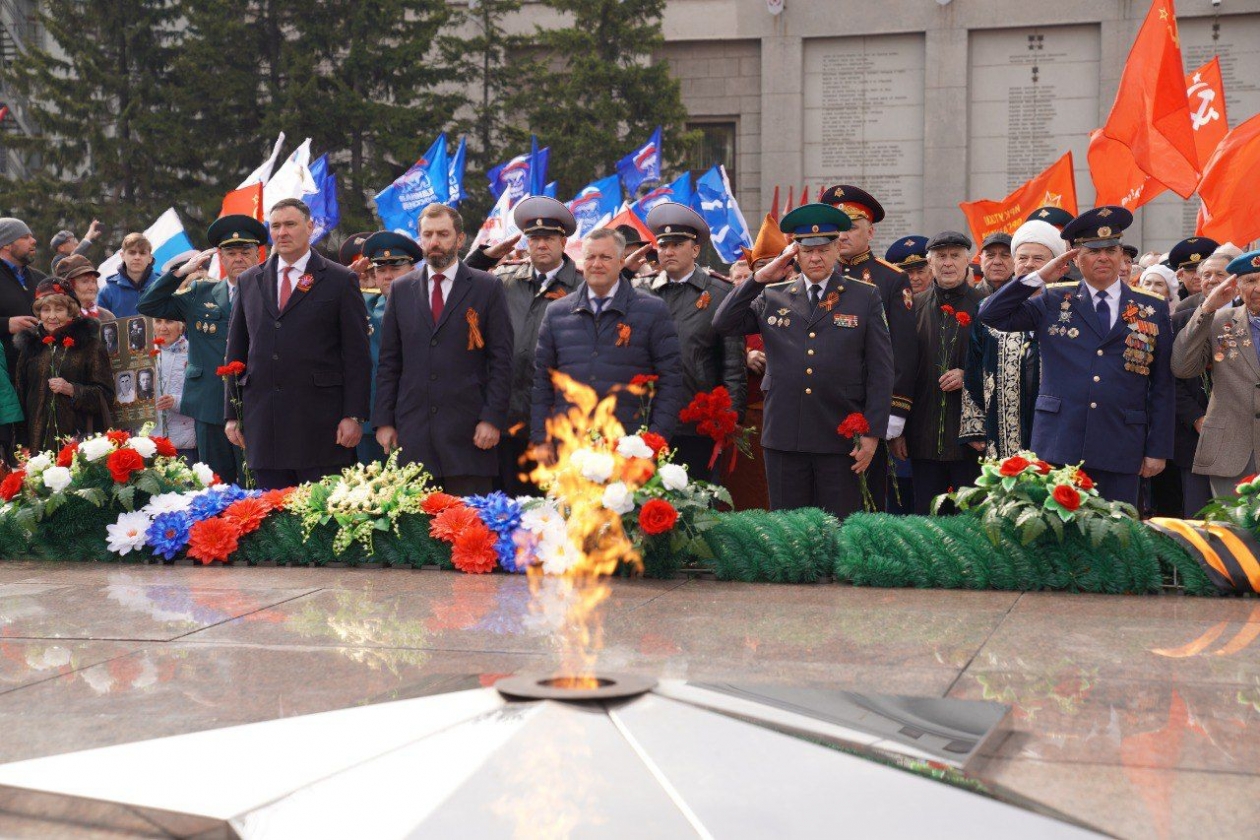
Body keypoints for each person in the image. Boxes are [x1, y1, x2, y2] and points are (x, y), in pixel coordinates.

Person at [979, 206, 1173, 505]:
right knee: (1060, 538)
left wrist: (1157, 449)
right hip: (1060, 442)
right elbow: (992, 315)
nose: (1104, 257)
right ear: (1075, 258)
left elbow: (1162, 385)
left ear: (1123, 255)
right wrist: (1039, 276)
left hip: (1121, 443)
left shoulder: (1152, 307)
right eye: (1093, 251)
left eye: (1111, 249)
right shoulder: (1054, 298)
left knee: (1116, 537)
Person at [713, 204, 893, 519]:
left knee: (838, 528)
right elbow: (724, 323)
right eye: (807, 251)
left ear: (838, 248)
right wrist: (758, 279)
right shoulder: (774, 295)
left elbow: (881, 370)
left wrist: (872, 433)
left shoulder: (864, 297)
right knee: (790, 531)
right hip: (785, 435)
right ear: (795, 253)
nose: (815, 257)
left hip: (839, 436)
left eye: (824, 249)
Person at [223, 198, 371, 490]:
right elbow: (236, 352)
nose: (282, 233)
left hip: (321, 427)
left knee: (322, 522)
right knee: (272, 523)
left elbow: (357, 356)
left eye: (290, 224)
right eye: (275, 226)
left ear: (310, 227)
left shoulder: (340, 280)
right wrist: (231, 414)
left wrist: (353, 415)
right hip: (266, 427)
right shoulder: (250, 280)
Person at [374, 204, 512, 496]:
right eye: (428, 234)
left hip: (469, 437)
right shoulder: (401, 290)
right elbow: (389, 362)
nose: (435, 241)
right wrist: (384, 421)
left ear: (460, 239)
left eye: (443, 234)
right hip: (414, 439)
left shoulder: (487, 287)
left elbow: (501, 361)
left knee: (469, 536)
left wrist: (492, 419)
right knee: (417, 537)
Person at [138, 214, 266, 486]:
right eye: (231, 253)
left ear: (258, 255)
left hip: (257, 401)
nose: (238, 258)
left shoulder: (271, 294)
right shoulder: (201, 293)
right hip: (211, 403)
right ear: (220, 257)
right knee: (215, 483)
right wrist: (181, 272)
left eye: (246, 252)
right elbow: (149, 305)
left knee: (255, 483)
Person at [466, 197, 582, 494]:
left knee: (551, 513)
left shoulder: (582, 287)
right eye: (534, 238)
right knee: (503, 510)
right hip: (504, 419)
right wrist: (484, 258)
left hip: (558, 423)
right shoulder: (504, 281)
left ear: (563, 241)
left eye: (549, 238)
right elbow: (458, 284)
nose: (541, 244)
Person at [532, 227, 685, 454]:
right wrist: (541, 438)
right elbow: (542, 382)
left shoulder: (652, 310)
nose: (596, 264)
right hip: (571, 446)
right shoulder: (557, 312)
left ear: (622, 260)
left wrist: (655, 440)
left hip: (629, 447)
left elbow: (671, 382)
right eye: (590, 257)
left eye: (605, 257)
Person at [820, 185, 917, 497]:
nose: (842, 235)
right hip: (821, 409)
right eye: (836, 228)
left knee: (865, 501)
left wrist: (894, 412)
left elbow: (902, 350)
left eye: (851, 227)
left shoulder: (890, 279)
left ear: (870, 232)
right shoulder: (815, 275)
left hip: (867, 410)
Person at [641, 201, 746, 482]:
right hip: (648, 419)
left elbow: (734, 366)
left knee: (697, 512)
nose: (668, 251)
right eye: (663, 245)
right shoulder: (639, 291)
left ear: (696, 249)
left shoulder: (721, 292)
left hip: (699, 424)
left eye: (677, 244)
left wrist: (730, 419)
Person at [963, 221, 1061, 461]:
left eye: (1038, 259)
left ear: (1056, 264)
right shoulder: (988, 309)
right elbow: (974, 367)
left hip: (1058, 430)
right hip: (1003, 428)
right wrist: (975, 426)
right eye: (1022, 258)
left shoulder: (1068, 307)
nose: (1029, 265)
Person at [905, 231, 986, 513]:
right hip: (922, 436)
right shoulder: (913, 307)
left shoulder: (985, 305)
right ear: (930, 263)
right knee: (927, 520)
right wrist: (899, 430)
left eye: (954, 256)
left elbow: (1000, 366)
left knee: (970, 521)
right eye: (941, 256)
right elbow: (902, 371)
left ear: (968, 261)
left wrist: (968, 375)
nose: (947, 263)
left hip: (970, 440)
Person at [1170, 251, 1260, 499]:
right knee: (1232, 533)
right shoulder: (1219, 321)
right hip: (1231, 452)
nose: (1257, 288)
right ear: (1236, 285)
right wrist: (1208, 307)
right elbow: (1183, 366)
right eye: (1250, 281)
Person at [725, 214, 785, 512]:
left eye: (775, 263)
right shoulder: (744, 303)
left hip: (788, 409)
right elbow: (722, 333)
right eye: (761, 266)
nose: (769, 271)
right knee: (746, 490)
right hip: (748, 409)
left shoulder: (797, 297)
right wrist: (744, 356)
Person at [14, 278, 113, 451]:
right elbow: (21, 394)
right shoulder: (30, 346)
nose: (52, 316)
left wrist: (72, 390)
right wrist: (22, 443)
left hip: (79, 444)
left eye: (59, 309)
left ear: (71, 312)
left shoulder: (89, 345)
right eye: (45, 310)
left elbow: (106, 395)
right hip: (38, 444)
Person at [356, 230, 419, 465]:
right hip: (371, 424)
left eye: (396, 268)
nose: (388, 276)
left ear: (412, 270)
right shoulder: (363, 306)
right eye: (381, 270)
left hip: (416, 422)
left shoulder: (429, 308)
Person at [0, 218, 42, 384]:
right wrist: (6, 324)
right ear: (6, 245)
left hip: (40, 379)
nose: (33, 241)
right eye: (25, 237)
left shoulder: (40, 278)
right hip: (6, 382)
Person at [151, 317, 196, 461]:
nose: (163, 328)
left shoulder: (194, 353)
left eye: (169, 321)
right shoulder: (141, 354)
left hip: (183, 443)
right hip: (150, 442)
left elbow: (204, 397)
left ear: (181, 326)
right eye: (158, 321)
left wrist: (175, 402)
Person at [97, 233, 155, 318]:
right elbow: (98, 328)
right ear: (122, 256)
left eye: (142, 253)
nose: (137, 257)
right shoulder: (107, 292)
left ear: (150, 258)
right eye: (132, 253)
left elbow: (178, 325)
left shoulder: (163, 287)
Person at [56, 255, 115, 322]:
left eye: (94, 281)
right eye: (85, 281)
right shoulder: (57, 318)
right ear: (68, 285)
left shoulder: (107, 316)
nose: (92, 287)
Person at [1167, 237, 1219, 303]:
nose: (1197, 276)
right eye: (1191, 271)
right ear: (1181, 275)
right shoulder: (1171, 300)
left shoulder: (1225, 298)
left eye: (1202, 271)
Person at [976, 233, 1014, 297]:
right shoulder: (968, 300)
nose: (997, 262)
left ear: (1015, 262)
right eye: (990, 255)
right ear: (980, 262)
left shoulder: (1027, 297)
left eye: (1005, 255)